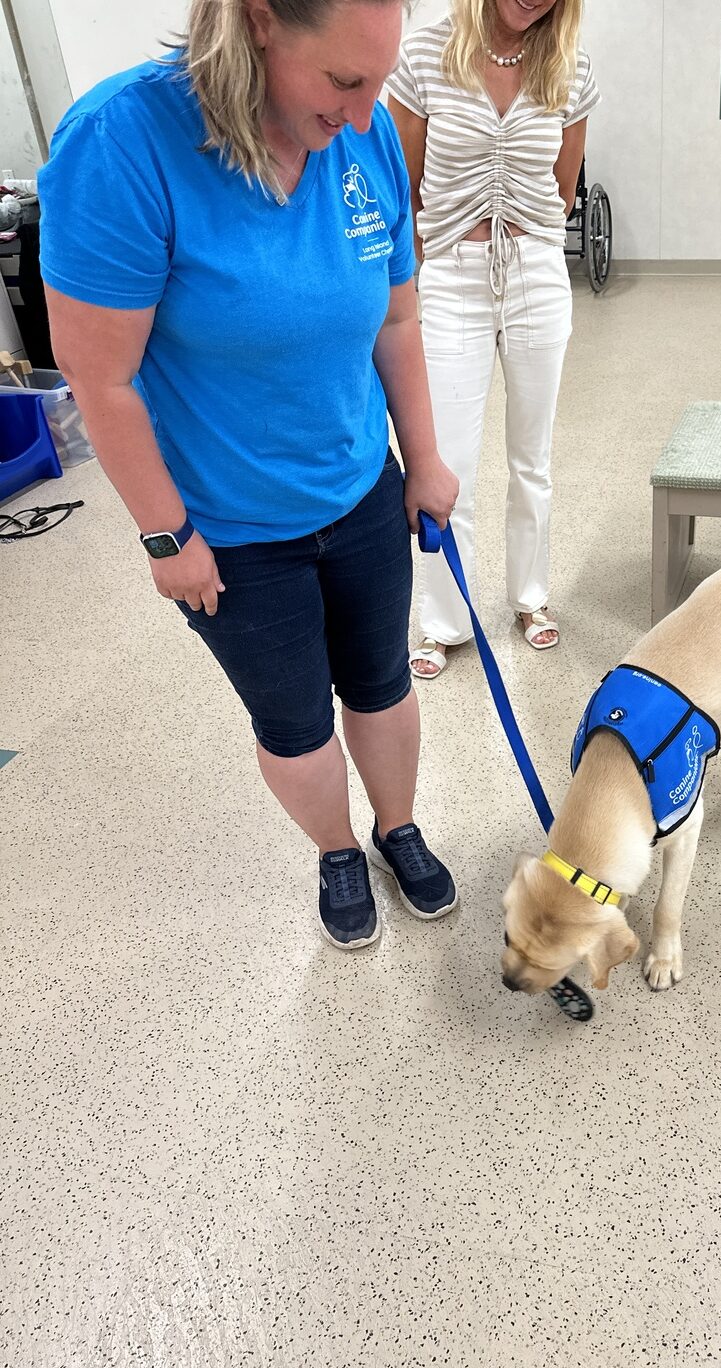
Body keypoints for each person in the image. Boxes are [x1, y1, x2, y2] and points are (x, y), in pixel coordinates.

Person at [38, 0, 460, 949]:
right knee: (295, 721)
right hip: (226, 532)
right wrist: (164, 534)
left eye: (377, 84)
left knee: (382, 682)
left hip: (357, 487)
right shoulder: (125, 144)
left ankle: (398, 828)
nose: (363, 116)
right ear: (260, 23)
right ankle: (337, 848)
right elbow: (99, 378)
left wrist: (424, 458)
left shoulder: (365, 140)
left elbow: (394, 320)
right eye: (344, 83)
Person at [386, 0, 599, 679]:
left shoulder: (572, 67)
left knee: (531, 458)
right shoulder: (423, 57)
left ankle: (530, 598)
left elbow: (561, 191)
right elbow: (403, 190)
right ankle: (444, 621)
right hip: (449, 276)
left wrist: (525, 242)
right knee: (447, 465)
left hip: (535, 270)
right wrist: (417, 284)